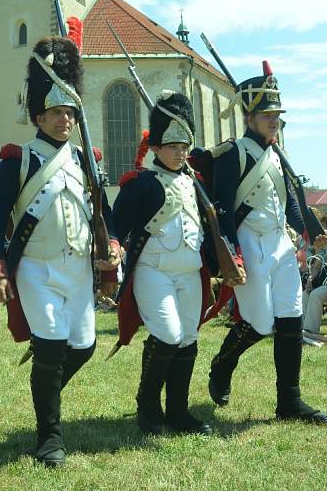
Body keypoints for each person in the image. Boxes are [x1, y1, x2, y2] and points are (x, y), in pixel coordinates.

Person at [0, 33, 119, 467]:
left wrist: (112, 246)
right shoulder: (16, 161)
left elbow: (106, 217)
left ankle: (45, 400)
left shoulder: (86, 163)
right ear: (39, 114)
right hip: (36, 271)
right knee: (53, 346)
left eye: (70, 112)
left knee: (84, 347)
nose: (65, 120)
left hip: (78, 270)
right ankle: (50, 438)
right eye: (56, 112)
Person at [207, 61, 327, 424]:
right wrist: (232, 254)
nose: (274, 120)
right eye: (267, 114)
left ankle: (289, 402)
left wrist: (307, 228)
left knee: (290, 318)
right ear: (250, 117)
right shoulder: (232, 153)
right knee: (260, 323)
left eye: (277, 114)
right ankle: (222, 364)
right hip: (250, 244)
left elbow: (290, 200)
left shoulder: (277, 155)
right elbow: (223, 208)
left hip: (280, 244)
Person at [112, 92, 212, 436]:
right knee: (167, 335)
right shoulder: (140, 183)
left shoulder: (196, 184)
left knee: (188, 338)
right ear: (155, 146)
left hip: (189, 272)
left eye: (185, 145)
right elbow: (116, 225)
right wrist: (112, 246)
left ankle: (179, 411)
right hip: (153, 270)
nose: (180, 152)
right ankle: (149, 408)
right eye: (172, 146)